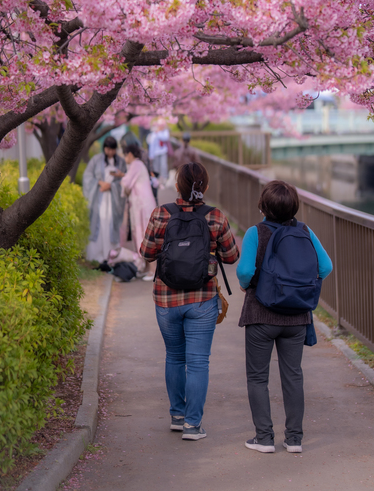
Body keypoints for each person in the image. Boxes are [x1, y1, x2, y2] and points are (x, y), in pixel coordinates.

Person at [140, 162, 240, 441]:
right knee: (197, 362)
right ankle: (192, 425)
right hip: (202, 298)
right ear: (205, 187)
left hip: (166, 298)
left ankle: (177, 415)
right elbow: (232, 256)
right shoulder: (215, 216)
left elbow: (146, 253)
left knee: (174, 356)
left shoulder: (161, 214)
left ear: (177, 186)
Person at [236, 179, 333, 454]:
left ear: (262, 206)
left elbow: (245, 271)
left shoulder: (256, 232)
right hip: (296, 316)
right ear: (294, 206)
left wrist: (247, 285)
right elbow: (325, 267)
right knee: (293, 376)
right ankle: (294, 439)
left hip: (261, 314)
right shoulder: (304, 231)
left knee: (258, 378)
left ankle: (264, 439)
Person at [81, 136, 126, 264]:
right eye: (108, 149)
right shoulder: (96, 160)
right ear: (104, 148)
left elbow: (124, 180)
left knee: (110, 222)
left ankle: (110, 255)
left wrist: (111, 186)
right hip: (99, 197)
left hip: (113, 199)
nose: (110, 152)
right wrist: (100, 183)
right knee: (99, 223)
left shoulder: (121, 162)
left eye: (112, 149)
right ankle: (96, 256)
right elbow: (87, 176)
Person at [120, 141, 157, 275]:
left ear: (130, 154)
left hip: (142, 206)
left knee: (146, 237)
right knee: (145, 236)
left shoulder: (135, 164)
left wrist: (122, 178)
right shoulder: (139, 164)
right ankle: (147, 269)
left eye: (125, 155)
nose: (125, 158)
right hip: (143, 205)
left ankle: (152, 270)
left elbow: (126, 183)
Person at [147, 118, 171, 186]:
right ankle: (157, 179)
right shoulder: (154, 133)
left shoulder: (164, 132)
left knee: (163, 165)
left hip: (163, 151)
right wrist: (151, 155)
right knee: (156, 166)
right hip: (156, 153)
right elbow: (151, 144)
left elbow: (165, 138)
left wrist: (158, 133)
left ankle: (164, 179)